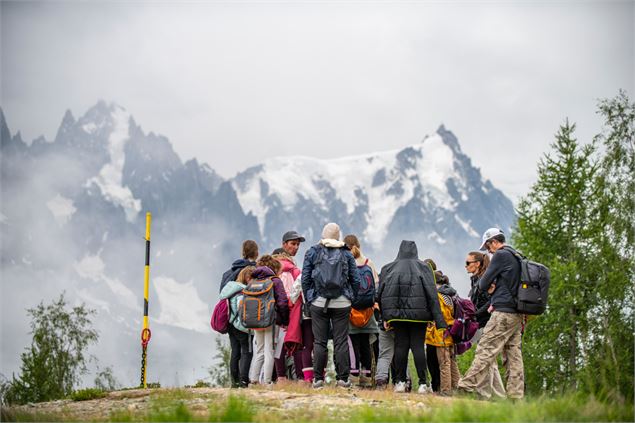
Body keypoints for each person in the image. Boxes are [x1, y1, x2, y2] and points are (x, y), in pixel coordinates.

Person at [458, 228, 524, 399]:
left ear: (494, 242)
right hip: (517, 313)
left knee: (485, 348)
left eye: (488, 247)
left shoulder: (501, 255)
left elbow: (483, 282)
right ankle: (516, 396)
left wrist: (489, 286)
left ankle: (466, 386)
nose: (488, 251)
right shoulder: (516, 255)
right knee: (513, 355)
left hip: (502, 311)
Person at [377, 240, 446, 394]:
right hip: (419, 316)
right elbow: (432, 294)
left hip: (397, 316)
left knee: (400, 347)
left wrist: (384, 318)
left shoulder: (388, 268)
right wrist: (435, 318)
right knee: (418, 348)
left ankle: (400, 382)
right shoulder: (424, 268)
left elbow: (380, 295)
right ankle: (423, 384)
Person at [301, 222, 361, 389]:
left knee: (319, 342)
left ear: (323, 235)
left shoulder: (313, 252)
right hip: (342, 302)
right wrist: (351, 297)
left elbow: (305, 279)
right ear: (338, 236)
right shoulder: (346, 253)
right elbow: (355, 280)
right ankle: (343, 379)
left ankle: (318, 379)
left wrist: (309, 299)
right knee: (340, 341)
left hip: (318, 302)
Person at [466, 251, 506, 398]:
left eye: (468, 263)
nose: (465, 266)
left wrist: (475, 314)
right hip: (481, 322)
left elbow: (491, 302)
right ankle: (500, 396)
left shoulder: (485, 279)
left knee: (484, 357)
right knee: (490, 360)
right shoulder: (475, 279)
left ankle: (484, 394)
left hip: (487, 322)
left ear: (477, 264)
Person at [343, 234, 379, 388]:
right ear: (359, 245)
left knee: (353, 345)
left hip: (351, 311)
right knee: (365, 345)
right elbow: (376, 286)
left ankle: (354, 377)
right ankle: (367, 378)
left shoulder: (344, 263)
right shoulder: (368, 262)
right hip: (367, 312)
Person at [248, 255, 289, 386]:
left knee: (259, 350)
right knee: (269, 351)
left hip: (255, 320)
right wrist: (285, 320)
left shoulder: (253, 281)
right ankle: (267, 381)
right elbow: (282, 302)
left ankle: (253, 379)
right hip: (272, 320)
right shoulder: (275, 281)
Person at [272, 231, 307, 381]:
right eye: (293, 244)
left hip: (276, 311)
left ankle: (280, 378)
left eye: (298, 244)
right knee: (297, 343)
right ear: (284, 244)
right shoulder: (294, 270)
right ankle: (300, 378)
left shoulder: (272, 268)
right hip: (293, 311)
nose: (296, 247)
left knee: (278, 345)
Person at [219, 266, 255, 388]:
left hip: (230, 324)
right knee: (247, 352)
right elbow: (241, 307)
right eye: (253, 279)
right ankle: (243, 380)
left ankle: (234, 382)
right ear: (248, 277)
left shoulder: (230, 288)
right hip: (241, 325)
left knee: (235, 352)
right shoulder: (242, 290)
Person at [425, 271, 461, 396]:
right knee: (452, 362)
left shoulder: (439, 296)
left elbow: (441, 315)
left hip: (442, 334)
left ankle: (446, 390)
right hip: (451, 331)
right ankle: (457, 387)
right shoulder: (450, 294)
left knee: (444, 362)